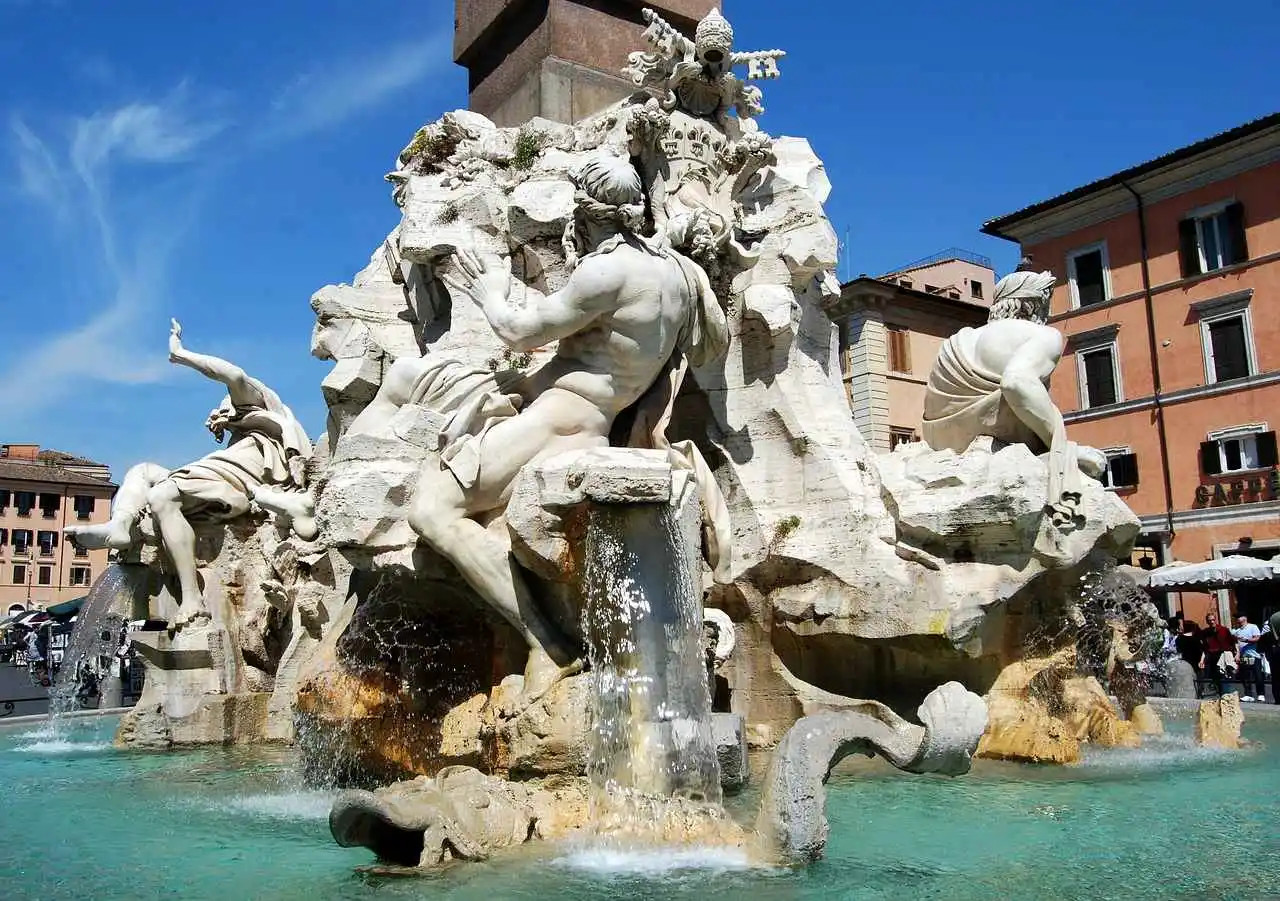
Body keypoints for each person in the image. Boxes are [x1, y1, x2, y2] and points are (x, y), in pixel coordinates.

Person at [349, 152, 730, 711]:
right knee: (430, 387)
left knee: (431, 510)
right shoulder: (677, 275)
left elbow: (519, 332)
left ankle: (547, 643)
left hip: (561, 420)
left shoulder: (607, 271)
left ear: (585, 213)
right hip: (578, 412)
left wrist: (490, 291)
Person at [65, 321, 314, 627]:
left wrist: (181, 354)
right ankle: (120, 525)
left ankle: (192, 598)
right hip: (208, 480)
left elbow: (234, 375)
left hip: (233, 485)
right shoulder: (238, 439)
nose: (217, 413)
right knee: (142, 470)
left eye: (222, 407)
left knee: (161, 494)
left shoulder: (258, 419)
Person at [1199, 612, 1236, 696]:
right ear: (1207, 622)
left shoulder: (1224, 630)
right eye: (1209, 620)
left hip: (1223, 656)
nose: (1212, 622)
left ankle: (1226, 695)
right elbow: (1205, 648)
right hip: (1212, 657)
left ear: (1216, 620)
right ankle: (1219, 694)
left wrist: (1236, 655)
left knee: (1224, 676)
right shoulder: (1205, 632)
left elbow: (1233, 642)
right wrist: (1202, 660)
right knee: (1214, 678)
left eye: (1213, 620)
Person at [1232, 614, 1264, 701]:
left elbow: (1257, 638)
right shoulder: (1236, 630)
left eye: (1239, 617)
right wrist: (1237, 654)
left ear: (1245, 618)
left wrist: (1246, 640)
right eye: (1236, 617)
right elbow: (1236, 644)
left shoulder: (1253, 627)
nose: (1237, 619)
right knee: (1245, 676)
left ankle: (1261, 694)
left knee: (1258, 675)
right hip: (1244, 656)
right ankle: (1248, 695)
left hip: (1254, 655)